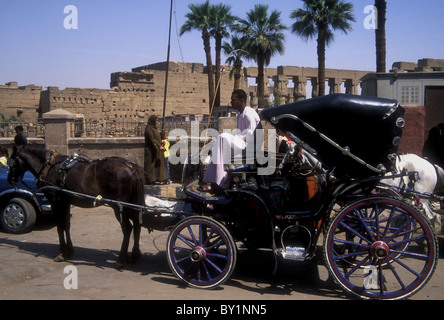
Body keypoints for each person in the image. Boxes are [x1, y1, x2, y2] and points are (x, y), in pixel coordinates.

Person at [200, 89, 260, 193]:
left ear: (241, 100)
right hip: (242, 143)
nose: (231, 102)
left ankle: (219, 182)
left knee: (223, 137)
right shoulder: (239, 115)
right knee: (218, 144)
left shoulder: (249, 113)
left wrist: (236, 138)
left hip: (249, 146)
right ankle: (213, 180)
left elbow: (251, 134)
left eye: (234, 100)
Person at [144, 115, 169, 185]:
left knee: (157, 166)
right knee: (150, 167)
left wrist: (161, 141)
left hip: (156, 150)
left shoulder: (154, 129)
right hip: (150, 151)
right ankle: (149, 180)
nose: (157, 122)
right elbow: (152, 140)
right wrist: (159, 147)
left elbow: (156, 138)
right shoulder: (148, 129)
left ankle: (157, 179)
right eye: (156, 120)